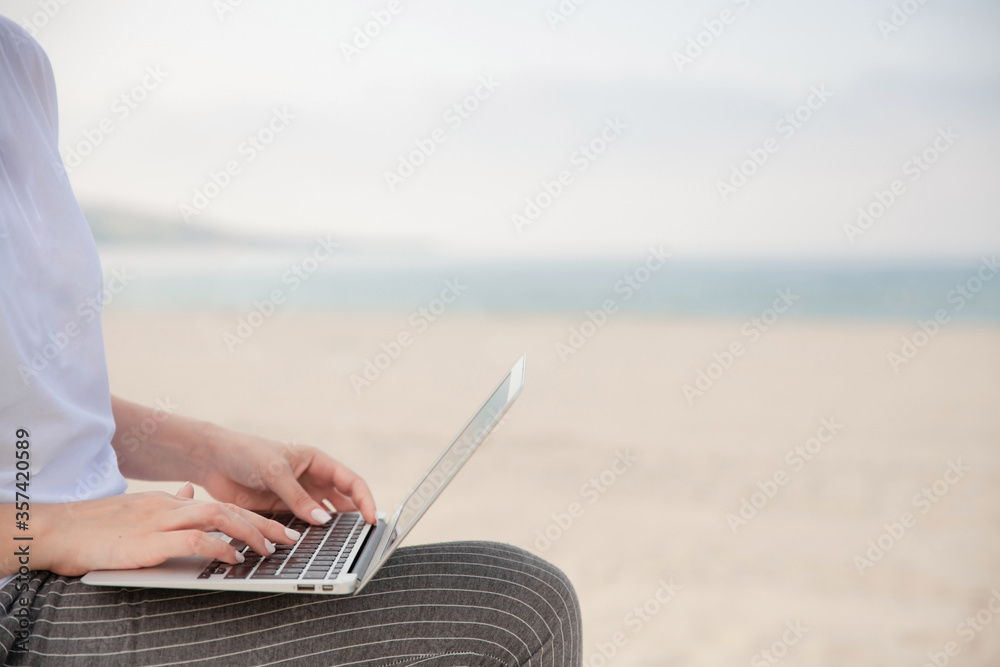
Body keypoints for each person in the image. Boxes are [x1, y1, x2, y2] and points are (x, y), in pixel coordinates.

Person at [0, 16, 581, 666]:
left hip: (86, 555)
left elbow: (28, 393)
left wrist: (207, 452)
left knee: (499, 586)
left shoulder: (20, 65)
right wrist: (47, 528)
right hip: (17, 591)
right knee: (517, 610)